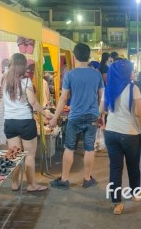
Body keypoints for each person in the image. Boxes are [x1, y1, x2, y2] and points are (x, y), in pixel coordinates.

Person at [50, 43, 104, 190]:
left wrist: (55, 118)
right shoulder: (96, 74)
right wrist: (100, 115)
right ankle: (87, 178)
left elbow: (63, 98)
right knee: (89, 148)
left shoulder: (70, 74)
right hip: (92, 116)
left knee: (69, 147)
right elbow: (102, 97)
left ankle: (65, 179)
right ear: (88, 56)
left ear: (74, 57)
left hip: (74, 117)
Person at [99, 60, 141, 215]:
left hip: (112, 133)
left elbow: (102, 109)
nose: (133, 73)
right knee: (133, 166)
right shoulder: (133, 89)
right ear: (126, 72)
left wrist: (112, 114)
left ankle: (117, 204)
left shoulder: (109, 89)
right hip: (130, 134)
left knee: (115, 168)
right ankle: (135, 193)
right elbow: (138, 113)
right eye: (132, 70)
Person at [2, 53, 51, 192]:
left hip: (10, 122)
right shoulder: (26, 81)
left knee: (15, 155)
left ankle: (15, 183)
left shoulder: (4, 80)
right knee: (29, 155)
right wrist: (45, 114)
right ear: (23, 66)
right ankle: (31, 185)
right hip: (25, 122)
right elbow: (33, 103)